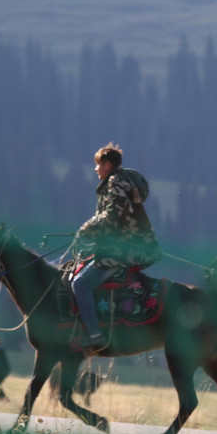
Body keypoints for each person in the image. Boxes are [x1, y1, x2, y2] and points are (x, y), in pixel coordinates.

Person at [71, 142, 162, 348]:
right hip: (128, 248)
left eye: (98, 164)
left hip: (122, 252)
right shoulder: (120, 181)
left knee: (80, 284)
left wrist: (88, 226)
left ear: (108, 165)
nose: (95, 169)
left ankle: (95, 336)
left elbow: (114, 217)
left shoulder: (116, 182)